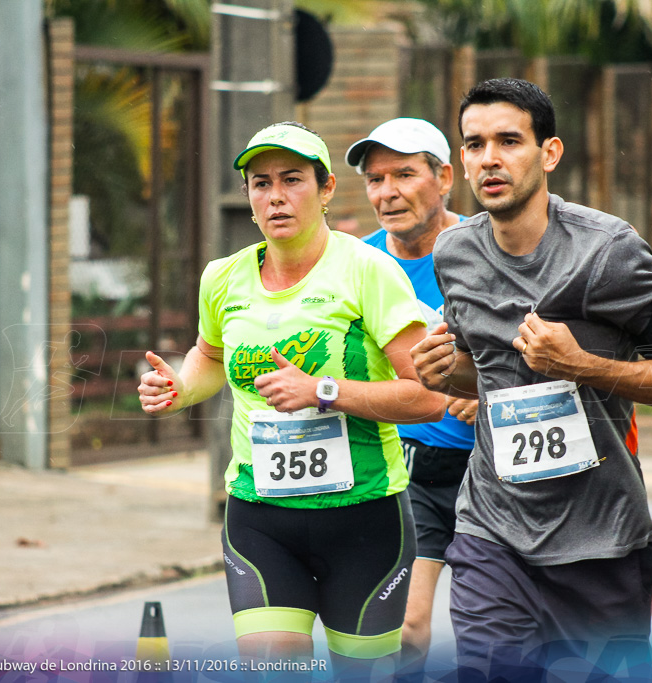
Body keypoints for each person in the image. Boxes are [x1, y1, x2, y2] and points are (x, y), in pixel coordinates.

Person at [409, 78, 652, 675]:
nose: (489, 158)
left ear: (549, 153)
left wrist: (582, 366)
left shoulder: (611, 252)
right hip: (491, 529)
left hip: (602, 540)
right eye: (474, 144)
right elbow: (492, 377)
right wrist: (449, 374)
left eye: (508, 141)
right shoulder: (455, 253)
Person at [137, 122, 445, 676]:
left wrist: (322, 391)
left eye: (293, 180)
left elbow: (429, 397)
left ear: (326, 190)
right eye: (260, 183)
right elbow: (209, 357)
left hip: (365, 517)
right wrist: (178, 389)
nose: (275, 196)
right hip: (260, 514)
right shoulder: (223, 278)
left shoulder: (369, 271)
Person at [344, 117, 476, 672]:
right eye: (375, 179)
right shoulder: (358, 264)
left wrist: (484, 388)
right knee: (410, 629)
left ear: (443, 177)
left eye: (404, 174)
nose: (387, 192)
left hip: (492, 466)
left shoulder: (486, 249)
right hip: (409, 467)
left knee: (500, 631)